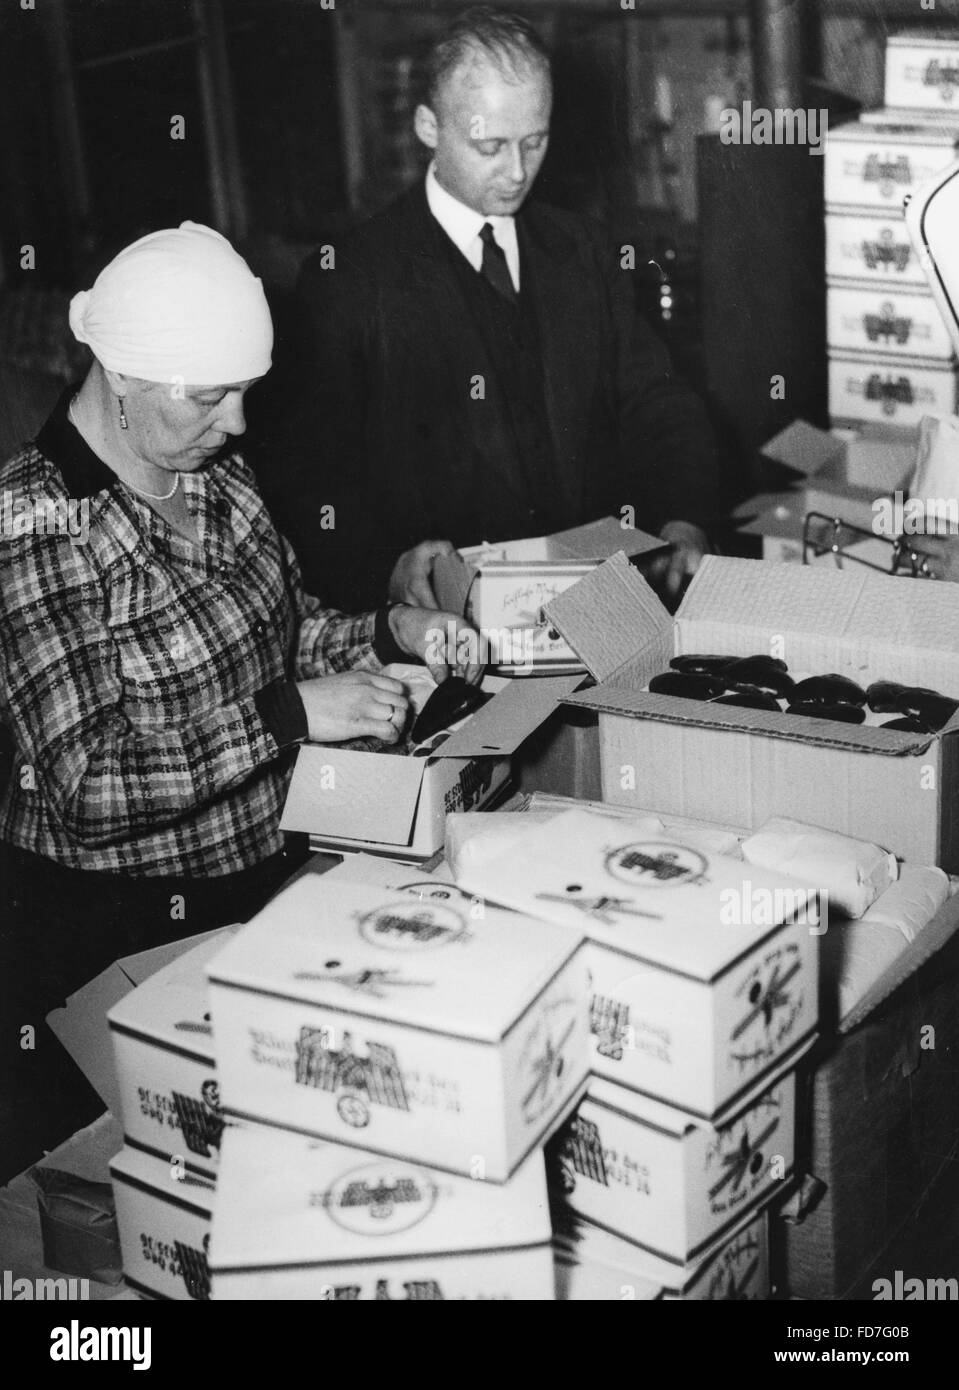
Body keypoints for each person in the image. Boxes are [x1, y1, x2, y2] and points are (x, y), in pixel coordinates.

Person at [0, 222, 479, 1177]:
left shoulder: (211, 472)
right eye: (212, 395)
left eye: (245, 393)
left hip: (257, 883)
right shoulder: (35, 524)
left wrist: (391, 633)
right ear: (123, 378)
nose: (238, 423)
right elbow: (89, 789)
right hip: (113, 933)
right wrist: (293, 716)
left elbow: (286, 631)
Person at [260, 5, 719, 614]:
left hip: (599, 604)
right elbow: (313, 481)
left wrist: (683, 518)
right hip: (452, 628)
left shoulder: (583, 251)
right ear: (428, 126)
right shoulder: (352, 281)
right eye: (489, 146)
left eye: (535, 141)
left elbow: (657, 404)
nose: (518, 172)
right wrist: (388, 570)